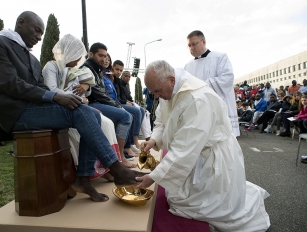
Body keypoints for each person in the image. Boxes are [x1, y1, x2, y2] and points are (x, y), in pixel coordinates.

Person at [0, 11, 142, 202]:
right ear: (20, 22)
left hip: (34, 107)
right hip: (15, 112)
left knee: (92, 113)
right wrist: (55, 96)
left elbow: (39, 87)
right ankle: (116, 168)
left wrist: (58, 97)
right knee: (82, 113)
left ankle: (83, 178)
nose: (40, 37)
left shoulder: (31, 58)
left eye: (42, 33)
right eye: (37, 30)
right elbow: (10, 83)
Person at [136, 60, 270, 231]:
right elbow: (162, 121)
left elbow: (184, 150)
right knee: (181, 198)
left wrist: (153, 178)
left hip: (211, 156)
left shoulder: (197, 98)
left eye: (157, 91)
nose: (156, 95)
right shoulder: (168, 90)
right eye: (153, 91)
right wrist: (154, 140)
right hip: (193, 154)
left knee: (208, 206)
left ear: (171, 79)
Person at [42, 34, 121, 181]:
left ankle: (107, 167)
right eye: (76, 56)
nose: (78, 60)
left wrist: (86, 87)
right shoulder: (51, 67)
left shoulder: (71, 69)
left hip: (77, 105)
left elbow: (86, 90)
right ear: (68, 53)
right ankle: (90, 171)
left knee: (107, 123)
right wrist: (80, 98)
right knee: (84, 128)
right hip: (63, 108)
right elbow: (51, 90)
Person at [81, 42, 136, 168]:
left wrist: (116, 105)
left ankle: (119, 156)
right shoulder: (87, 69)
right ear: (90, 54)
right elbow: (98, 94)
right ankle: (120, 157)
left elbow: (104, 93)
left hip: (99, 102)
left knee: (128, 114)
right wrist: (118, 106)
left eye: (105, 56)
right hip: (93, 104)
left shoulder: (97, 69)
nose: (104, 59)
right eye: (101, 55)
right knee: (126, 116)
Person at [184, 30, 239, 137]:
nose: (191, 48)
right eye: (189, 45)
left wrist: (200, 86)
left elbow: (227, 78)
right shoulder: (187, 66)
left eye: (194, 44)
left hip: (218, 108)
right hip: (199, 111)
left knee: (223, 145)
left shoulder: (220, 57)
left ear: (203, 42)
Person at [111, 61, 144, 156]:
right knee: (135, 112)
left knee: (141, 110)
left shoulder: (120, 83)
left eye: (120, 70)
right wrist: (125, 102)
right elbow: (117, 98)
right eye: (117, 69)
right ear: (112, 68)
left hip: (118, 103)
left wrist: (130, 102)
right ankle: (131, 143)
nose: (118, 72)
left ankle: (133, 142)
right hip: (116, 103)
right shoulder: (115, 81)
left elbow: (128, 98)